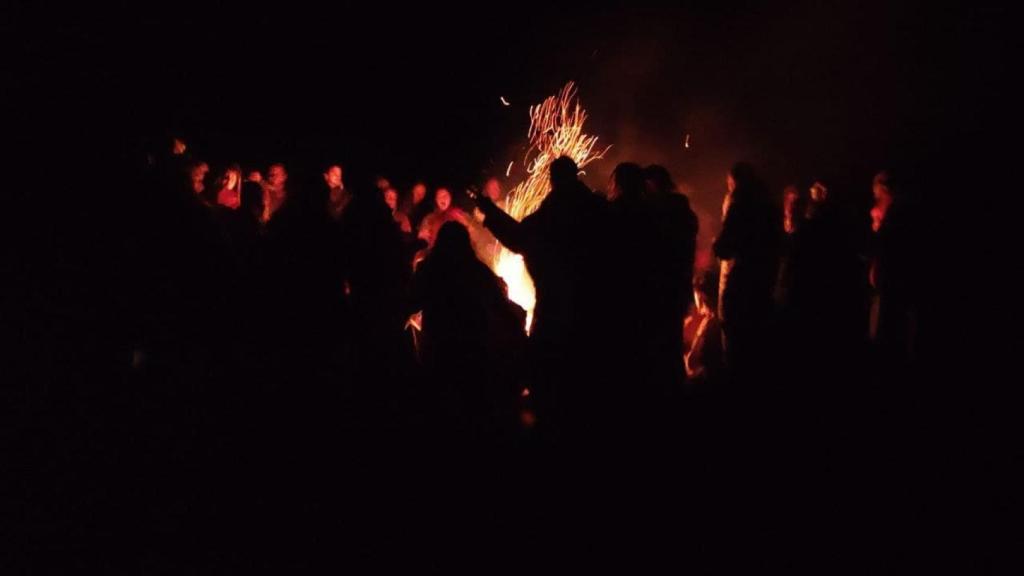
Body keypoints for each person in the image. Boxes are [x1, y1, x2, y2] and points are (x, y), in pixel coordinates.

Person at [472, 156, 613, 437]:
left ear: (554, 179)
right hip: (596, 311)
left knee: (549, 376)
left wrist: (489, 211)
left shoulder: (554, 213)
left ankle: (552, 435)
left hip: (556, 310)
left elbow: (520, 237)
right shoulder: (598, 209)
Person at [411, 221, 527, 435]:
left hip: (440, 346)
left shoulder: (430, 270)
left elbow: (411, 300)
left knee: (444, 409)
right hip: (473, 347)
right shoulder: (478, 271)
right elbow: (500, 305)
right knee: (471, 408)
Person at [712, 162, 782, 382]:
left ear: (734, 182)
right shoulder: (770, 206)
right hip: (763, 283)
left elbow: (725, 247)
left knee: (734, 340)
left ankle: (736, 390)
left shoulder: (739, 202)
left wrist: (717, 243)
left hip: (738, 282)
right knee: (757, 343)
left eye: (729, 184)